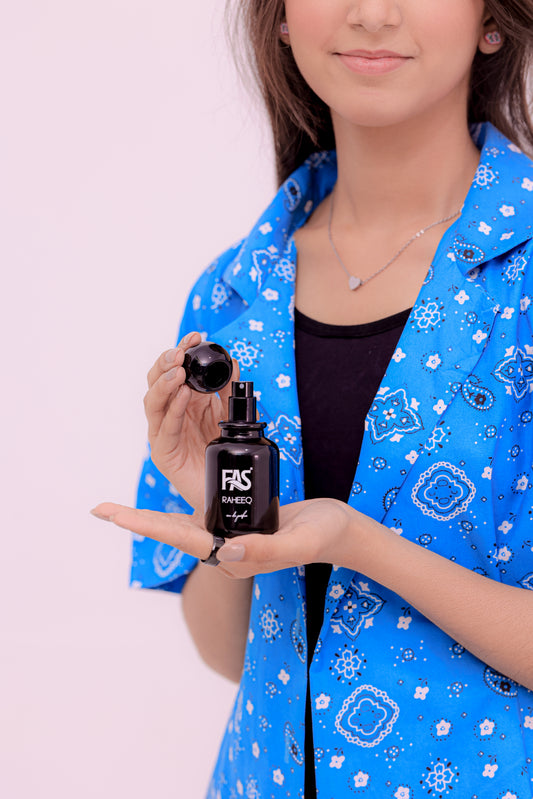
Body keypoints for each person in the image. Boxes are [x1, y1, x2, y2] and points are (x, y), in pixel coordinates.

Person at [92, 1, 533, 796]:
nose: (372, 13)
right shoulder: (232, 294)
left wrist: (357, 543)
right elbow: (233, 656)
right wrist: (229, 517)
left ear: (490, 20)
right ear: (284, 18)